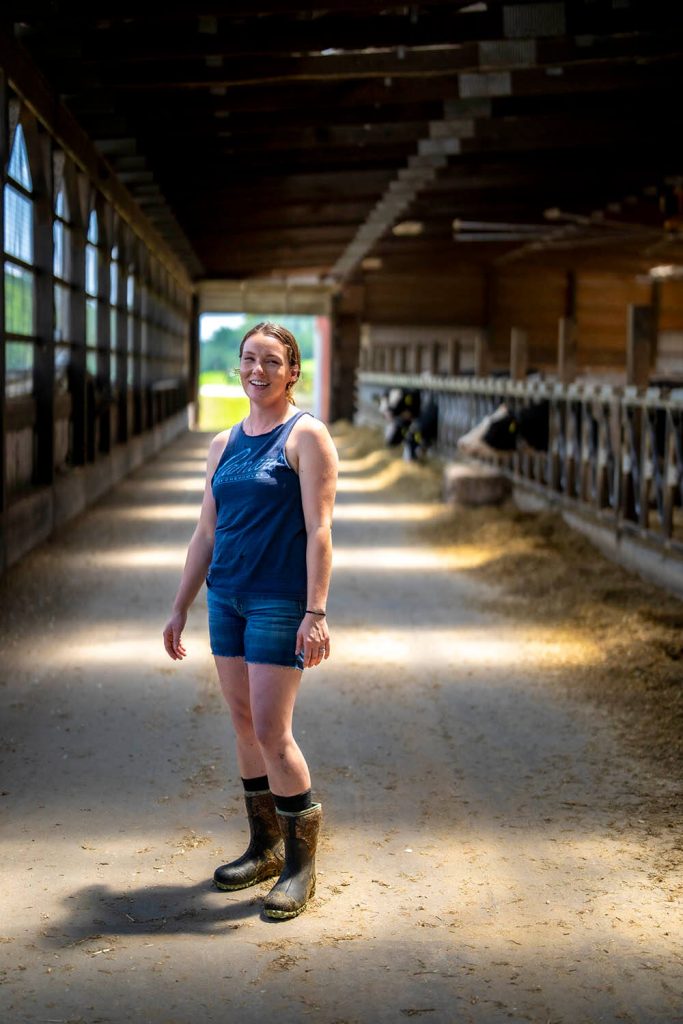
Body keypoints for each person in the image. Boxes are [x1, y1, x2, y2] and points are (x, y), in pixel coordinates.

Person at [163, 321, 338, 920]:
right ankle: (264, 847)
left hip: (278, 601)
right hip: (227, 597)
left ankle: (299, 866)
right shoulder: (223, 444)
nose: (256, 370)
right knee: (243, 724)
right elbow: (206, 531)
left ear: (293, 372)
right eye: (247, 359)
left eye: (271, 361)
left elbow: (320, 531)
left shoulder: (305, 436)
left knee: (271, 730)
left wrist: (315, 611)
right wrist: (181, 604)